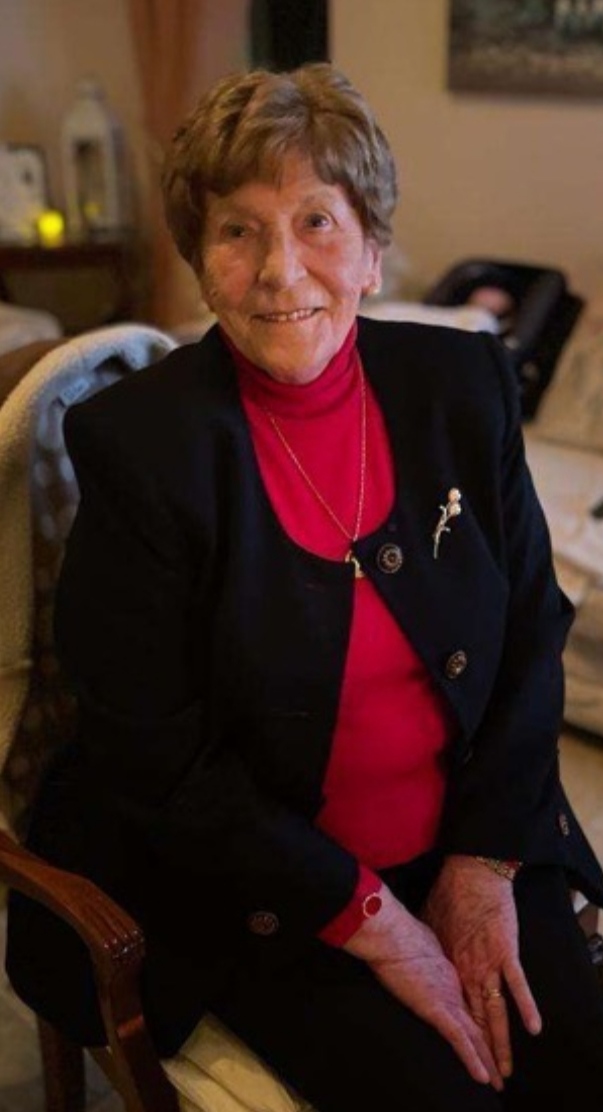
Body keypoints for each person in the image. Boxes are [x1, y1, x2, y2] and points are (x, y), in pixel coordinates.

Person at [6, 63, 603, 1112]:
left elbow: (527, 629)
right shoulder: (142, 448)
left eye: (317, 221)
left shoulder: (460, 388)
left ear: (371, 250)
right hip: (263, 887)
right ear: (201, 262)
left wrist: (483, 862)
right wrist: (374, 920)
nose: (281, 269)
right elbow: (154, 756)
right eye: (237, 231)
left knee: (581, 1063)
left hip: (466, 830)